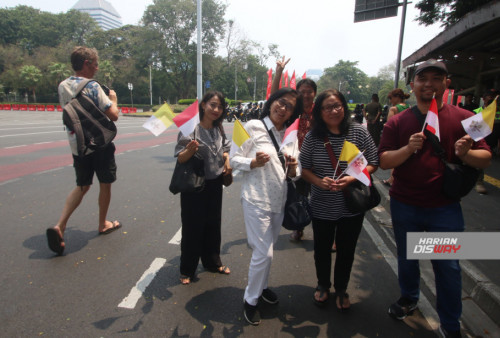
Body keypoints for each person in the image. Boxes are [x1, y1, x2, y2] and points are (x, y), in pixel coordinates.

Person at [378, 59, 491, 338]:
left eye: (436, 78)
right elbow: (383, 159)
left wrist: (466, 154)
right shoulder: (397, 121)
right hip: (405, 204)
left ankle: (451, 325)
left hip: (445, 208)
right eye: (422, 78)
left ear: (446, 83)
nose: (429, 84)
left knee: (447, 269)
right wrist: (408, 148)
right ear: (413, 85)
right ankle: (409, 298)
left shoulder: (469, 118)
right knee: (407, 258)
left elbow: (486, 157)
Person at [299, 89, 379, 312]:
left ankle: (342, 289)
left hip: (351, 205)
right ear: (319, 111)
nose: (333, 111)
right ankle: (323, 285)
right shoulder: (313, 137)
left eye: (337, 106)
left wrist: (352, 178)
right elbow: (303, 169)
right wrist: (318, 181)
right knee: (322, 249)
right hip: (322, 205)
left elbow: (374, 161)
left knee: (347, 250)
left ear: (344, 107)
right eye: (327, 107)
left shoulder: (358, 133)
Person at [231, 88, 301, 326]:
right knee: (264, 253)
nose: (283, 108)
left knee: (266, 251)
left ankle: (261, 288)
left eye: (289, 107)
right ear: (272, 102)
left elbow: (296, 171)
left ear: (293, 113)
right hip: (255, 198)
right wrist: (252, 162)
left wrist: (293, 168)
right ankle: (250, 301)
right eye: (280, 103)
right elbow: (233, 159)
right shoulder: (252, 126)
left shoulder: (291, 135)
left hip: (278, 202)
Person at [46, 46, 120, 256]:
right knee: (105, 183)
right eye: (95, 64)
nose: (96, 69)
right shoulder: (93, 87)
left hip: (77, 144)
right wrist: (113, 98)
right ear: (87, 64)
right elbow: (113, 115)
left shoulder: (63, 86)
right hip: (99, 143)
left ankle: (60, 225)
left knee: (82, 185)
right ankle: (103, 223)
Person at [174, 91, 232, 285]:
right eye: (212, 105)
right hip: (194, 184)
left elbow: (225, 148)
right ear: (203, 105)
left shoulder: (219, 128)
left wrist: (227, 160)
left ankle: (212, 262)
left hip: (215, 183)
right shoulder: (191, 129)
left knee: (213, 224)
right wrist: (189, 151)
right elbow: (180, 158)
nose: (216, 110)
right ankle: (187, 270)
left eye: (220, 106)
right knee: (192, 226)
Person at [271, 56, 317, 242]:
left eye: (309, 92)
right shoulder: (291, 110)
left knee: (321, 197)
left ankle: (326, 232)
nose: (306, 95)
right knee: (298, 196)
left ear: (314, 93)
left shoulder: (320, 110)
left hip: (317, 161)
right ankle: (299, 227)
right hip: (295, 161)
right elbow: (274, 96)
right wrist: (279, 72)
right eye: (302, 91)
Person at [473, 89, 499, 194]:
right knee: (478, 162)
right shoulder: (476, 112)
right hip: (478, 141)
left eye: (494, 96)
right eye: (490, 96)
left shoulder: (498, 113)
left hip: (491, 143)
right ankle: (479, 181)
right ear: (483, 99)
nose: (492, 98)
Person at [383, 89, 411, 186]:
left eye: (391, 98)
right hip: (406, 137)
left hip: (396, 137)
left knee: (394, 160)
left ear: (397, 97)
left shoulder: (393, 109)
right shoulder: (409, 107)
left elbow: (388, 124)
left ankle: (392, 179)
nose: (390, 101)